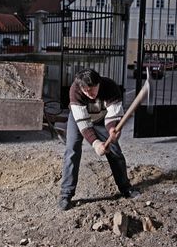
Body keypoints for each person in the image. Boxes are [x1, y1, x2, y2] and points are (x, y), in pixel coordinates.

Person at [58, 68, 140, 211]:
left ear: (98, 83)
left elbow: (113, 115)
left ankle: (126, 188)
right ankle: (66, 194)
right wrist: (96, 144)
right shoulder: (75, 90)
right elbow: (83, 122)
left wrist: (112, 130)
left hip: (103, 119)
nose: (90, 94)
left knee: (115, 151)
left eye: (92, 89)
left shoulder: (110, 87)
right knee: (72, 150)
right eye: (86, 91)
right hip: (78, 119)